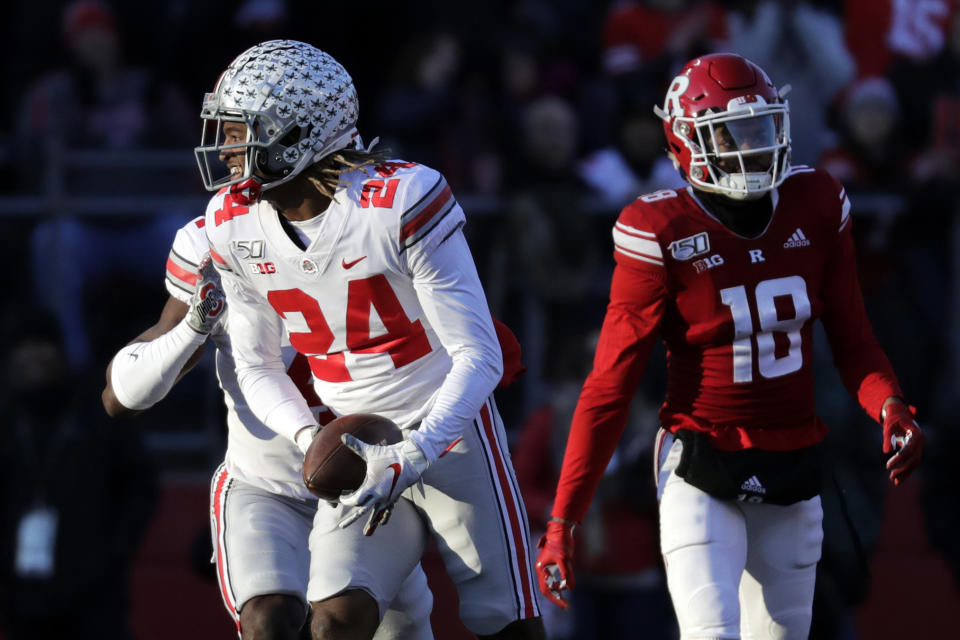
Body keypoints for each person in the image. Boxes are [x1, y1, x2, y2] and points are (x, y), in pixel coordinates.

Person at [533, 52, 925, 639]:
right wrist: (564, 518)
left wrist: (890, 404)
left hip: (793, 462)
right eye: (731, 132)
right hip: (701, 460)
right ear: (686, 142)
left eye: (759, 127)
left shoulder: (815, 202)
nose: (751, 146)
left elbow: (854, 341)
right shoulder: (660, 228)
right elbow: (610, 384)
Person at [198, 40, 544, 640]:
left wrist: (417, 451)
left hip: (447, 426)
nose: (226, 147)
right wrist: (314, 439)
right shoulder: (232, 222)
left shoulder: (400, 200)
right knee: (333, 620)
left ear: (295, 131)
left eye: (240, 129)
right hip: (352, 438)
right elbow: (256, 365)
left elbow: (479, 353)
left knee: (503, 620)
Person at [101, 230, 434, 638]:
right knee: (267, 620)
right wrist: (195, 325)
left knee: (342, 628)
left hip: (370, 487)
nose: (228, 163)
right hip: (266, 485)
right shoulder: (219, 238)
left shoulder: (369, 226)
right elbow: (118, 399)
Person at [1, 309, 158, 640]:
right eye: (23, 345)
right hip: (19, 595)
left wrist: (114, 552)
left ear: (61, 352)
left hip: (95, 594)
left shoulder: (97, 413)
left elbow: (140, 485)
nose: (33, 355)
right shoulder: (7, 420)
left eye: (42, 344)